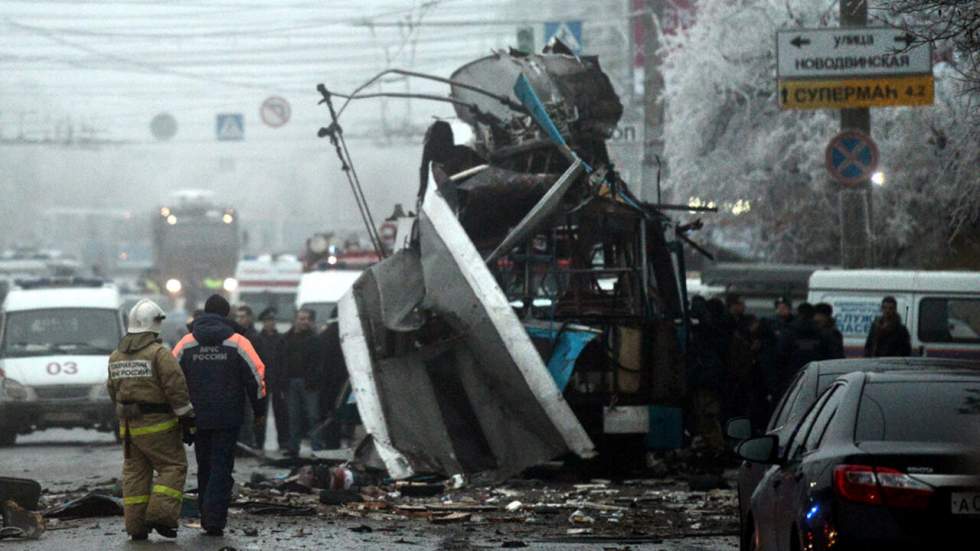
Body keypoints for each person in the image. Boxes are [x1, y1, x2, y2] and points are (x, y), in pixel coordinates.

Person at [173, 295, 266, 537]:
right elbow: (257, 378)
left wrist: (178, 412)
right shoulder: (238, 342)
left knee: (204, 464)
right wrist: (259, 410)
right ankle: (214, 519)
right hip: (228, 417)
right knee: (222, 466)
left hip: (197, 416)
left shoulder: (186, 343)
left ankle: (206, 514)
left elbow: (171, 378)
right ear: (227, 315)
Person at [107, 299, 195, 540]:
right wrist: (187, 418)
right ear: (154, 324)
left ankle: (135, 527)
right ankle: (160, 516)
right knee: (173, 467)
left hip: (128, 429)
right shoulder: (159, 354)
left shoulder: (116, 356)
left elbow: (112, 390)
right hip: (158, 426)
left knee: (135, 475)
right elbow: (176, 388)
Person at [283, 308, 324, 456]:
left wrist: (315, 379)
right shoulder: (287, 338)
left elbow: (320, 362)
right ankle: (293, 447)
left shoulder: (316, 340)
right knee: (294, 416)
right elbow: (281, 361)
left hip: (309, 383)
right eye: (301, 318)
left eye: (307, 318)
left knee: (313, 416)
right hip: (291, 381)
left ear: (311, 321)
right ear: (296, 320)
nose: (304, 321)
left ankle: (317, 448)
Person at [256, 307, 289, 451]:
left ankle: (283, 442)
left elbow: (285, 360)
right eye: (268, 320)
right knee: (260, 414)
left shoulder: (281, 339)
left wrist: (283, 380)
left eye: (272, 320)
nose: (271, 323)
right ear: (263, 322)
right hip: (262, 381)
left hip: (277, 381)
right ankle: (259, 442)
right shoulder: (257, 339)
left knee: (281, 413)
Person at [234, 305, 267, 452]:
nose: (240, 320)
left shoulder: (255, 337)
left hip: (250, 381)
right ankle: (241, 443)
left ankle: (248, 443)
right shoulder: (235, 336)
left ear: (249, 318)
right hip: (237, 382)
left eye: (243, 316)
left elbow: (260, 361)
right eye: (238, 317)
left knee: (249, 415)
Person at [317, 320, 349, 449]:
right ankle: (335, 443)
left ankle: (327, 444)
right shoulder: (344, 336)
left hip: (325, 383)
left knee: (327, 414)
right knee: (338, 414)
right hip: (341, 382)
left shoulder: (323, 337)